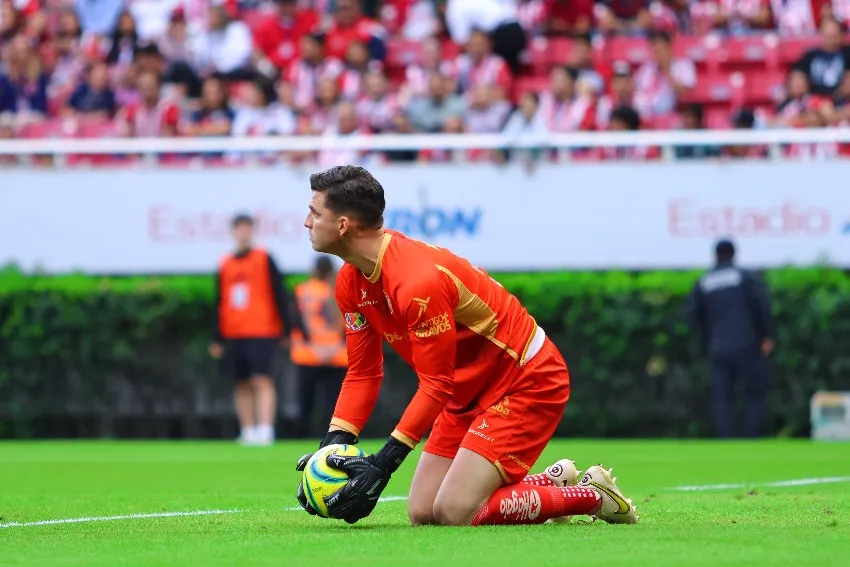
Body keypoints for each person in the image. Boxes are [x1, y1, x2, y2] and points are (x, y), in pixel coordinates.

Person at [294, 165, 639, 526]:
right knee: (423, 512)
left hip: (526, 380)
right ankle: (550, 482)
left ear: (344, 224)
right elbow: (364, 372)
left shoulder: (417, 281)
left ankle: (592, 495)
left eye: (314, 213)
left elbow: (434, 383)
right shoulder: (351, 281)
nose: (306, 222)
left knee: (455, 511)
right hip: (463, 396)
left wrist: (383, 465)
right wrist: (330, 449)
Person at [210, 213, 306, 446]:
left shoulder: (264, 258)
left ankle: (265, 429)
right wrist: (217, 337)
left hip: (262, 330)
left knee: (262, 380)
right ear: (233, 232)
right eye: (239, 229)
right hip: (233, 332)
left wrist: (288, 329)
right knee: (240, 382)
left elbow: (280, 294)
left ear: (252, 231)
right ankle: (247, 429)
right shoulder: (225, 263)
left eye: (247, 228)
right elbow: (219, 301)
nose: (243, 233)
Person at [687, 239, 775, 439]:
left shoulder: (704, 281)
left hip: (718, 346)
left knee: (723, 396)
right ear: (734, 254)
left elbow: (694, 316)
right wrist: (767, 336)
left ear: (715, 255)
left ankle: (725, 437)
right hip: (748, 344)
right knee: (754, 391)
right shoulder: (744, 277)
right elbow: (760, 307)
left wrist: (708, 338)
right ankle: (752, 435)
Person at [291, 256, 348, 438]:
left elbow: (295, 321)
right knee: (334, 404)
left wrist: (312, 346)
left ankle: (303, 436)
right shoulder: (341, 290)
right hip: (337, 354)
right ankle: (332, 438)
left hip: (309, 354)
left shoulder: (303, 290)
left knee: (306, 401)